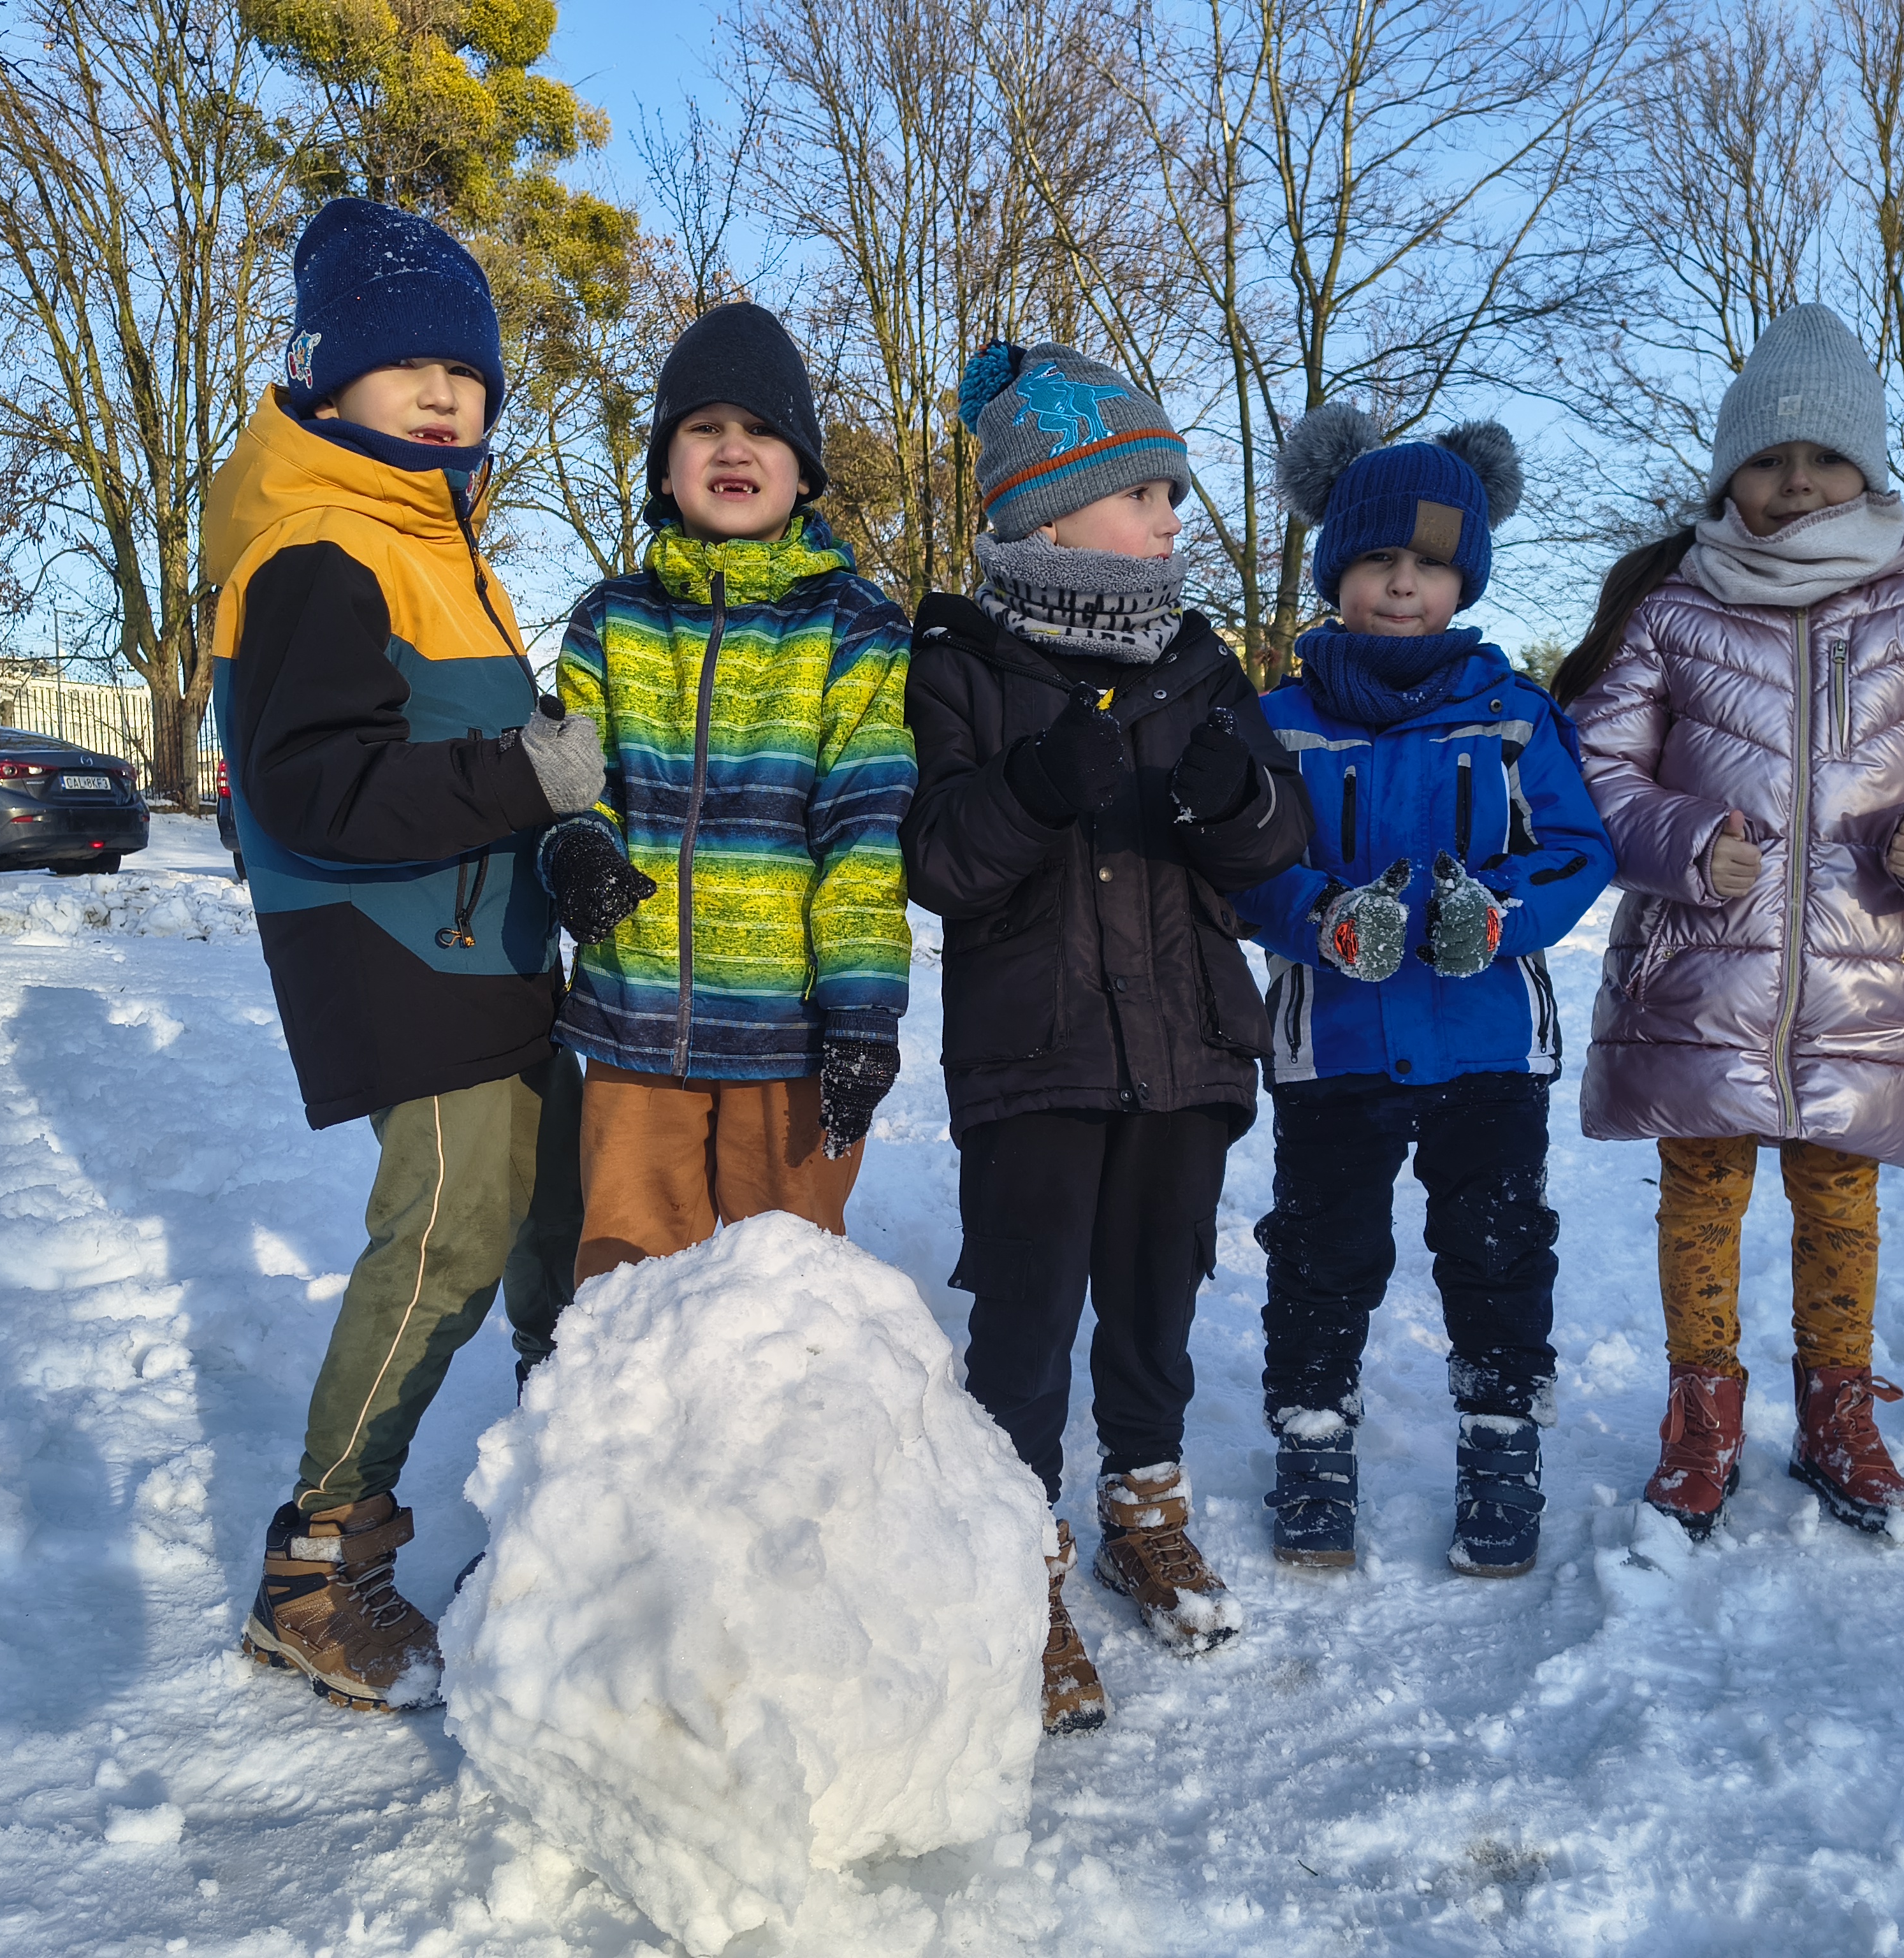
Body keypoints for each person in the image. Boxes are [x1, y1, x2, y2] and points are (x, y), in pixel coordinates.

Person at [208, 199, 638, 1711]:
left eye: (466, 373)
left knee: (549, 1224)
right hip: (402, 957)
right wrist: (525, 780)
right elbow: (313, 789)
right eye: (409, 369)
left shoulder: (427, 537)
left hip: (479, 947)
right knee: (450, 1236)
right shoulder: (319, 547)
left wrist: (554, 835)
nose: (446, 396)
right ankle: (317, 1565)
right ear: (327, 376)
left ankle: (566, 1504)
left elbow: (463, 753)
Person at [1554, 303, 1904, 1542]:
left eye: (1823, 457)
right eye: (1767, 459)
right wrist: (1680, 839)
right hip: (1697, 975)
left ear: (1865, 471)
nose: (1794, 481)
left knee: (1839, 1207)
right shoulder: (1672, 615)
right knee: (1700, 1200)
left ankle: (1838, 1418)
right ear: (1730, 473)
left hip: (1858, 976)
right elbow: (1595, 774)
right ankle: (1701, 1421)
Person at [904, 341, 1312, 1732]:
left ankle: (1145, 1508)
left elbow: (1274, 850)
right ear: (1050, 511)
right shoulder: (961, 666)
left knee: (1153, 1302)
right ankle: (1014, 1557)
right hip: (1036, 1059)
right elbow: (938, 862)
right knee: (1026, 1321)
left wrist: (1236, 804)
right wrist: (1032, 787)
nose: (1171, 519)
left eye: (1172, 495)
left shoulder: (1199, 666)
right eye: (1144, 493)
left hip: (1186, 1049)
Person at [1235, 410, 1614, 1582]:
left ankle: (1502, 1442)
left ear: (1465, 580)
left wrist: (1499, 915)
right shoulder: (1280, 723)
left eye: (1431, 564)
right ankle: (1312, 1440)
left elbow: (1576, 849)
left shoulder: (1514, 717)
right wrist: (1320, 917)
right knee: (1323, 1251)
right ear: (1334, 570)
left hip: (1486, 1046)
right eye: (1377, 559)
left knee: (1497, 1251)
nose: (1403, 585)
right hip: (1335, 1047)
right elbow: (1244, 864)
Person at [546, 303, 917, 1281]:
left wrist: (864, 1010)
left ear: (804, 470)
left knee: (787, 1290)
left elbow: (866, 835)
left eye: (762, 429)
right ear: (665, 467)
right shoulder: (608, 621)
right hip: (636, 1020)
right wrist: (578, 847)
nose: (732, 447)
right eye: (703, 426)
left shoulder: (856, 628)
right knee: (625, 1276)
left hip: (790, 1034)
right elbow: (578, 786)